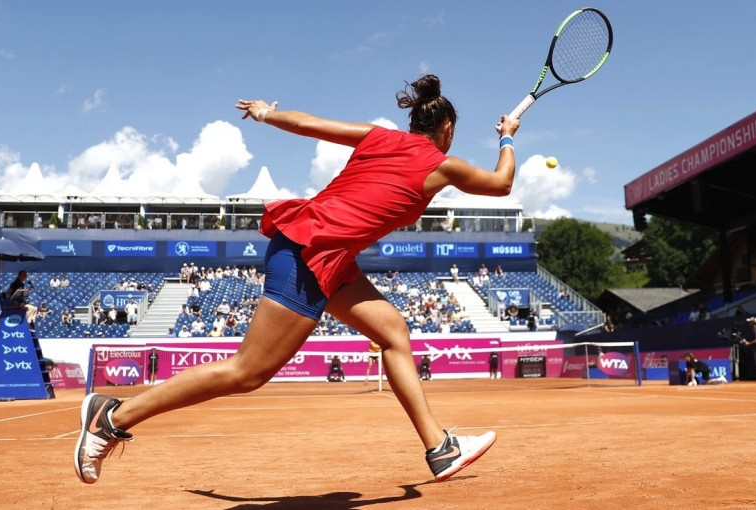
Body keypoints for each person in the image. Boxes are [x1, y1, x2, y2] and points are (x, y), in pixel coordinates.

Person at [74, 75, 519, 484]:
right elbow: (501, 183)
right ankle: (112, 418)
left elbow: (308, 124)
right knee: (248, 372)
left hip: (327, 255)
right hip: (309, 252)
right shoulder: (442, 165)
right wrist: (506, 137)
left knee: (392, 332)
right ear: (447, 131)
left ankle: (439, 448)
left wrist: (266, 113)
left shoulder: (380, 137)